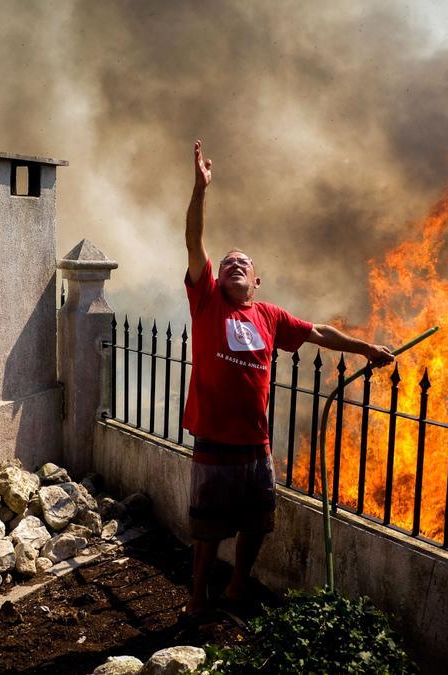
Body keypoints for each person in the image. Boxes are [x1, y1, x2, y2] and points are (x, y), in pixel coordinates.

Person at [183, 139, 395, 615]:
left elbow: (318, 330)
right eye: (228, 262)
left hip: (255, 444)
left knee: (257, 522)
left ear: (257, 282)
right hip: (214, 440)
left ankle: (238, 586)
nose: (234, 263)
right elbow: (194, 240)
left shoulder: (270, 316)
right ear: (216, 278)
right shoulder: (207, 302)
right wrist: (201, 190)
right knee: (208, 529)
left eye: (244, 263)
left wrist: (366, 348)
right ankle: (198, 598)